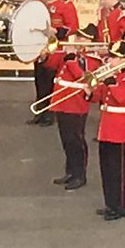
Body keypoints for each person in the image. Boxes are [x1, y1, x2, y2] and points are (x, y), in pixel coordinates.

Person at [93, 41, 125, 221]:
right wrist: (90, 91)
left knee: (118, 169)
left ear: (124, 59)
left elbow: (122, 98)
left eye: (114, 57)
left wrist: (112, 83)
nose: (110, 60)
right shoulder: (110, 75)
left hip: (118, 127)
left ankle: (120, 206)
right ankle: (110, 203)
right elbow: (100, 97)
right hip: (105, 127)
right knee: (106, 168)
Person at [29, 0, 79, 126]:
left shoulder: (66, 5)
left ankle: (50, 113)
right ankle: (40, 110)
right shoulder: (39, 0)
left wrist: (57, 31)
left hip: (55, 48)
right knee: (39, 80)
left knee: (50, 81)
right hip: (39, 45)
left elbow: (73, 26)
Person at [49, 50, 90, 191]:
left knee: (76, 141)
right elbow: (50, 65)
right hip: (62, 103)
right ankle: (70, 171)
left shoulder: (88, 58)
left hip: (76, 104)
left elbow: (82, 77)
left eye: (82, 38)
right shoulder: (67, 56)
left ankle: (80, 175)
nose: (77, 41)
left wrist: (71, 61)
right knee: (66, 140)